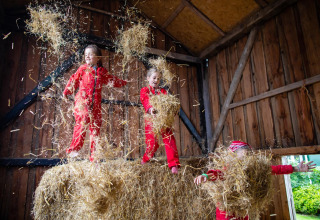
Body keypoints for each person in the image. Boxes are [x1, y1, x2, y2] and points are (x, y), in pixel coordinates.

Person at [194, 141, 316, 220]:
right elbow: (216, 173)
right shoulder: (229, 170)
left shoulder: (253, 170)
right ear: (233, 154)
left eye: (248, 153)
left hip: (243, 213)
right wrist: (205, 176)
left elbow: (275, 169)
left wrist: (296, 168)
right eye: (244, 153)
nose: (247, 156)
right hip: (226, 213)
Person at [63, 44, 127, 162]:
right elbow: (74, 79)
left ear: (98, 57)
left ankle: (95, 158)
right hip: (82, 100)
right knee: (84, 118)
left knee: (96, 128)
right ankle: (74, 149)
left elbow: (111, 80)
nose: (87, 56)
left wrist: (123, 82)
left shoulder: (102, 71)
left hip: (96, 103)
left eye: (90, 54)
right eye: (85, 54)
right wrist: (67, 91)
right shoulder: (83, 69)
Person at [140, 68, 180, 174]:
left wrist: (173, 109)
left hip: (163, 120)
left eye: (158, 79)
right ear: (148, 78)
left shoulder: (163, 92)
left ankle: (174, 165)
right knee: (152, 144)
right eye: (154, 78)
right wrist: (150, 109)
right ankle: (145, 160)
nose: (156, 80)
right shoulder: (145, 90)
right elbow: (145, 100)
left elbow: (168, 102)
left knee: (170, 139)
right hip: (151, 120)